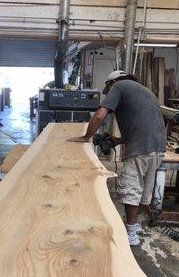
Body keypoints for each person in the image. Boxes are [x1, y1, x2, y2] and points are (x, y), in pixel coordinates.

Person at [68, 70, 167, 246]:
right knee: (145, 189)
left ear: (111, 83)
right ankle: (135, 226)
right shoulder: (145, 90)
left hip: (141, 147)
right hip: (158, 147)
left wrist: (85, 137)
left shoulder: (118, 86)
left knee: (130, 187)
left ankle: (130, 234)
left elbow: (99, 115)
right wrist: (118, 140)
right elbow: (144, 123)